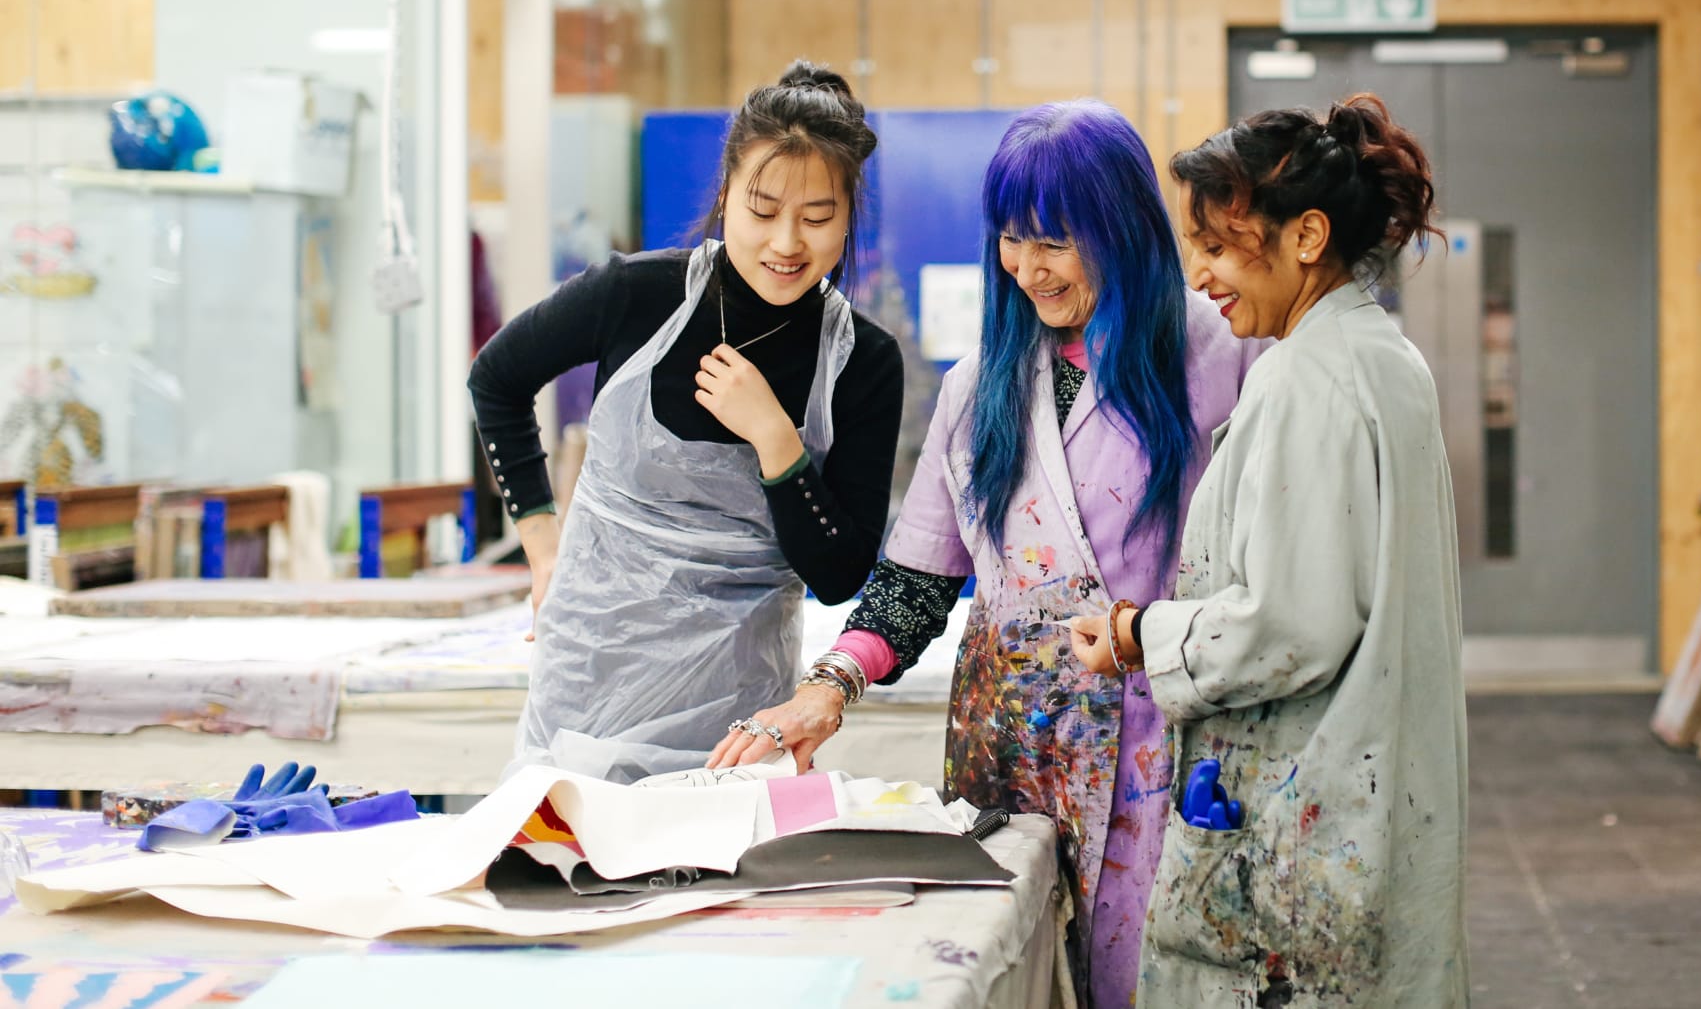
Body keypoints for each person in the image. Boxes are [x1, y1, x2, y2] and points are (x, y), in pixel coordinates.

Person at [710, 100, 1264, 1009]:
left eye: (1056, 241)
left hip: (1162, 745)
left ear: (1120, 229)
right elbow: (920, 578)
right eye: (1012, 239)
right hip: (1012, 753)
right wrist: (827, 688)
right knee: (1013, 976)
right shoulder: (983, 382)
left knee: (1151, 979)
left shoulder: (1215, 350)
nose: (1028, 268)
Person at [1071, 93, 1470, 1007]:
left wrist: (1140, 634)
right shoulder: (1380, 354)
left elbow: (1294, 622)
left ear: (1306, 236)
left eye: (1219, 246)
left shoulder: (1308, 378)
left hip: (1312, 803)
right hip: (1375, 790)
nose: (1202, 275)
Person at [469, 61, 903, 783]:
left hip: (737, 719)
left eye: (818, 218)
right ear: (727, 193)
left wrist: (776, 439)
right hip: (586, 687)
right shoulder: (636, 296)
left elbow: (839, 572)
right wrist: (543, 548)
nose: (787, 242)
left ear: (849, 214)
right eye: (763, 211)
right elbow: (497, 378)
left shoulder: (863, 361)